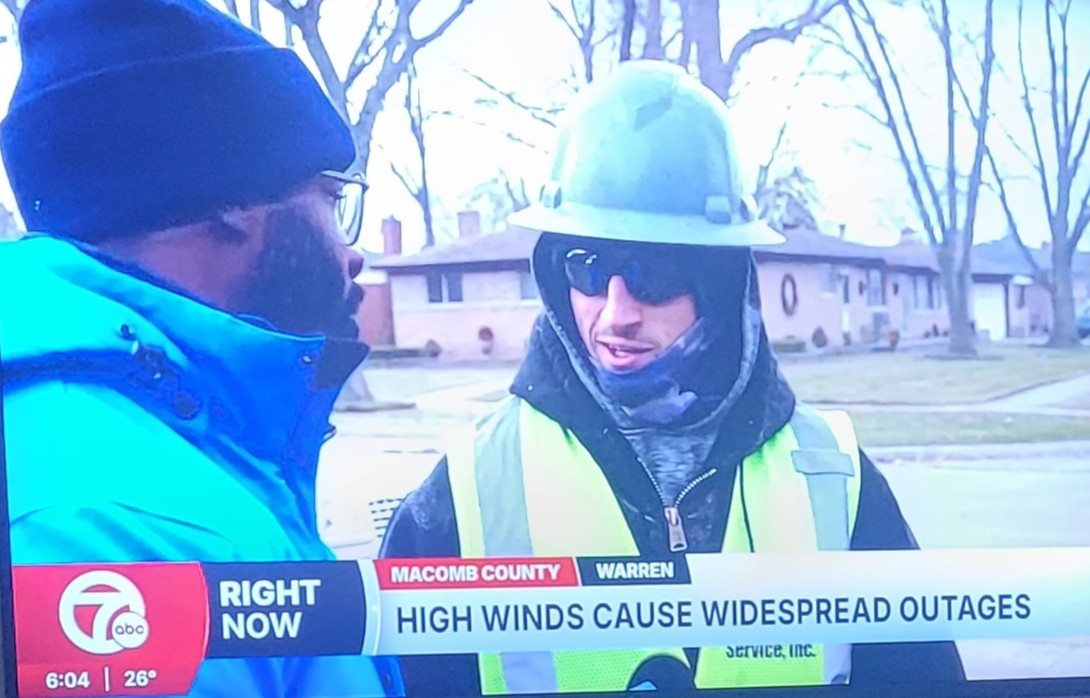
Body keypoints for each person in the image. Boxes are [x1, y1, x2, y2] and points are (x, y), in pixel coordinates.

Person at [381, 61, 965, 694]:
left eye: (651, 272)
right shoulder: (470, 486)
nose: (615, 313)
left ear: (719, 282)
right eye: (585, 266)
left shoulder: (834, 477)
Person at [0, 1, 398, 695]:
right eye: (334, 201)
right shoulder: (117, 525)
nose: (353, 251)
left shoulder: (178, 435)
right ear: (235, 201)